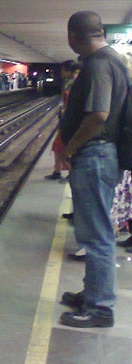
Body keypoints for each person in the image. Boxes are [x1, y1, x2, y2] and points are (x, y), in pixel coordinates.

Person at [58, 10, 128, 328]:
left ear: (74, 35)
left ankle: (100, 309)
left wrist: (70, 148)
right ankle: (92, 294)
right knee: (92, 231)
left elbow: (98, 115)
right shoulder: (111, 59)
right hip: (101, 155)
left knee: (98, 235)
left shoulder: (99, 64)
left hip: (95, 154)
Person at [46, 60, 81, 181]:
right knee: (59, 146)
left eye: (63, 70)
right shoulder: (69, 82)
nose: (61, 72)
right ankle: (59, 171)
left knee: (61, 146)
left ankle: (65, 172)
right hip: (67, 119)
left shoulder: (74, 83)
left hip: (71, 121)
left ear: (68, 70)